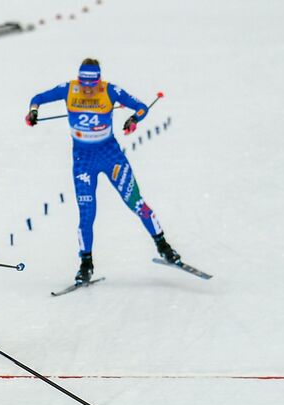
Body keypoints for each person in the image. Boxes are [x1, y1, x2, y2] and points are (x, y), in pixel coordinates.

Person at [25, 58, 182, 284]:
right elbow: (37, 99)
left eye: (92, 85)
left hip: (111, 156)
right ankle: (85, 265)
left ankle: (164, 247)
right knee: (87, 214)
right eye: (84, 84)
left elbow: (141, 107)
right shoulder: (69, 89)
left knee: (136, 203)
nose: (88, 90)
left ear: (98, 80)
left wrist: (133, 119)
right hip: (83, 160)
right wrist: (33, 112)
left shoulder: (109, 90)